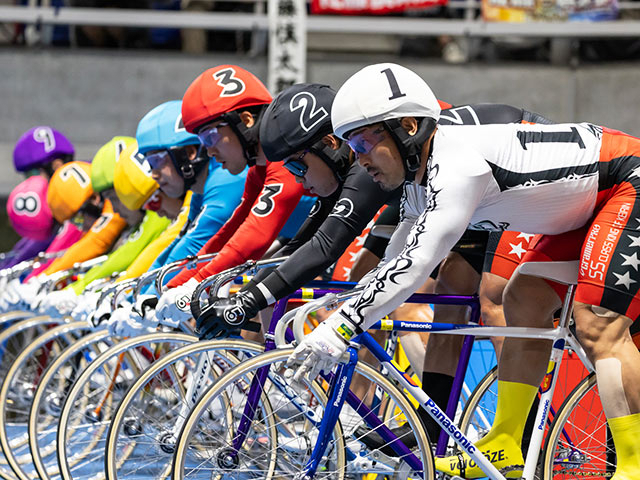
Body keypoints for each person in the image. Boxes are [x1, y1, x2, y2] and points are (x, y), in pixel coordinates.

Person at [288, 62, 640, 480]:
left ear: (407, 127)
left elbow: (418, 263)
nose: (358, 159)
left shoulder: (455, 162)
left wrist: (340, 326)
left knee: (598, 324)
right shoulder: (420, 177)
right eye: (351, 145)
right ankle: (508, 442)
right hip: (588, 205)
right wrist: (349, 303)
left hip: (626, 180)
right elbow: (398, 254)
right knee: (522, 297)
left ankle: (634, 466)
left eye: (364, 142)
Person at [154, 65, 313, 327]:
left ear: (246, 120)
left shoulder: (283, 155)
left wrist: (197, 282)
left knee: (348, 315)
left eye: (210, 135)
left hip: (365, 221)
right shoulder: (257, 172)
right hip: (323, 233)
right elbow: (230, 233)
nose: (207, 150)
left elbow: (256, 234)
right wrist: (176, 284)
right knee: (264, 299)